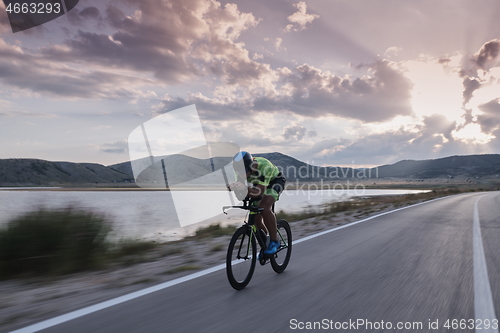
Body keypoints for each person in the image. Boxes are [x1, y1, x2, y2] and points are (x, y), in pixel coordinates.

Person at [230, 151, 286, 255]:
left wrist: (245, 189)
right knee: (255, 216)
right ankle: (265, 243)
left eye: (245, 172)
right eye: (240, 173)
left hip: (275, 181)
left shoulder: (265, 166)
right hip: (259, 185)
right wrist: (235, 188)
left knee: (264, 207)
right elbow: (241, 196)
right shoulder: (239, 172)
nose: (242, 175)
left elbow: (258, 193)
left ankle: (275, 241)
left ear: (251, 166)